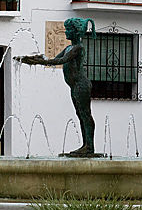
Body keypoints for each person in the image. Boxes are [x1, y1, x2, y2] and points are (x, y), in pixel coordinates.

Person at [15, 18, 97, 156]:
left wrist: (39, 62)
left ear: (76, 32)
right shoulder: (69, 48)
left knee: (85, 115)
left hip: (81, 85)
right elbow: (50, 60)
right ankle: (85, 145)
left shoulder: (78, 48)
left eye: (69, 30)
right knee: (80, 115)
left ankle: (89, 147)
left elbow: (61, 60)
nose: (66, 32)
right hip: (75, 86)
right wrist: (34, 59)